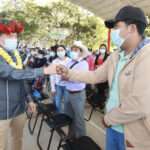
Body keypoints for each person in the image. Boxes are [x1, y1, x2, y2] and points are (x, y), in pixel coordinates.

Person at [56, 6, 150, 150]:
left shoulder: (146, 56)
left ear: (132, 28)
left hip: (133, 135)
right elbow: (95, 75)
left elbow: (139, 104)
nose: (114, 32)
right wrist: (68, 72)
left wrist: (108, 119)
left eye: (117, 27)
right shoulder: (116, 55)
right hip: (112, 128)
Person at [0, 19, 56, 150]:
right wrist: (44, 70)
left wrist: (29, 99)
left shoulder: (15, 54)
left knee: (17, 139)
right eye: (10, 36)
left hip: (19, 108)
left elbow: (21, 79)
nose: (14, 38)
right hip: (2, 111)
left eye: (15, 35)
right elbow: (12, 73)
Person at [61, 41, 89, 140]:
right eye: (72, 49)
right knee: (69, 116)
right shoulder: (69, 62)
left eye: (76, 50)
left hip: (78, 95)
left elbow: (79, 78)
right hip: (68, 92)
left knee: (79, 119)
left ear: (81, 52)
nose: (73, 51)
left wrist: (66, 77)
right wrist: (63, 76)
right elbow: (62, 74)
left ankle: (82, 140)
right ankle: (71, 136)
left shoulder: (83, 63)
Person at [50, 45, 70, 113]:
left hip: (67, 85)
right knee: (58, 102)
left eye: (62, 50)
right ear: (56, 52)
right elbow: (52, 75)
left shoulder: (70, 61)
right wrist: (53, 88)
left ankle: (67, 117)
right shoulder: (54, 61)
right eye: (58, 50)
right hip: (58, 85)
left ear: (65, 51)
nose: (60, 52)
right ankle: (59, 116)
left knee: (67, 103)